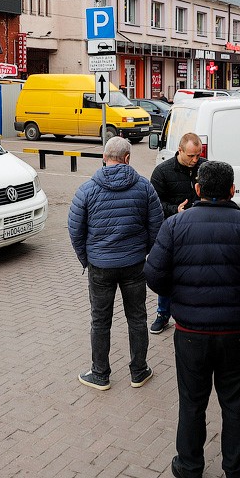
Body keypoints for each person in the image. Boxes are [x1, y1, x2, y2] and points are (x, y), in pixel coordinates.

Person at [145, 161, 240, 478]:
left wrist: (179, 292)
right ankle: (235, 468)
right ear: (233, 190)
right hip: (237, 332)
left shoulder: (175, 226)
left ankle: (189, 466)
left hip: (190, 332)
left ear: (197, 190)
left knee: (191, 402)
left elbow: (154, 275)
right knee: (235, 402)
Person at [68, 136, 163, 391]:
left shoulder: (87, 189)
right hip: (134, 264)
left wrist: (87, 259)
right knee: (137, 318)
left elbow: (75, 230)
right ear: (128, 158)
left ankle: (100, 374)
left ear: (104, 157)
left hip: (100, 266)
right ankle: (139, 372)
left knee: (100, 320)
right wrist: (144, 252)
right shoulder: (144, 187)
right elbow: (157, 226)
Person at [148, 132, 206, 335]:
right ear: (179, 150)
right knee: (168, 274)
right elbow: (154, 204)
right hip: (173, 233)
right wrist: (176, 210)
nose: (195, 160)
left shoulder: (205, 168)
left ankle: (196, 314)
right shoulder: (162, 172)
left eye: (198, 155)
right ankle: (163, 314)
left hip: (199, 232)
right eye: (191, 156)